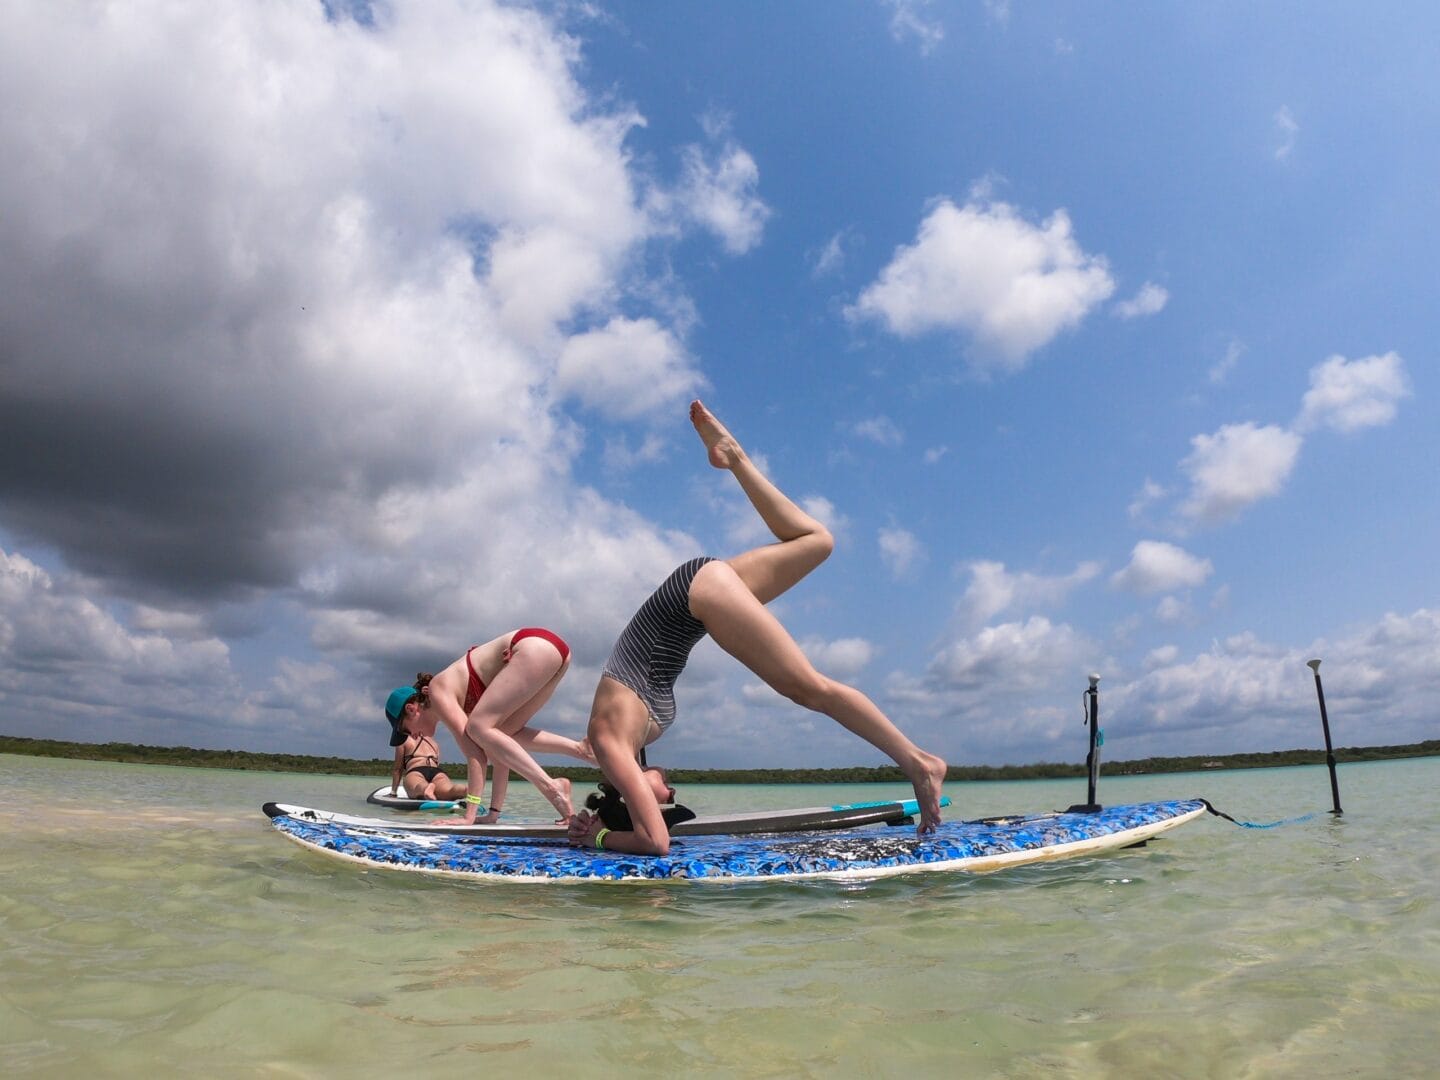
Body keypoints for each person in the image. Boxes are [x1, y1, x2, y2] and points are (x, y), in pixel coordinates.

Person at [568, 401, 948, 856]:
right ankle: (734, 458)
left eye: (662, 795)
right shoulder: (620, 745)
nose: (668, 788)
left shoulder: (609, 743)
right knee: (817, 542)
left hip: (696, 596)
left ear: (630, 797)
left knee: (809, 689)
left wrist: (600, 837)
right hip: (696, 595)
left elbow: (656, 842)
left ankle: (919, 762)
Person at [384, 627, 592, 825]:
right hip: (555, 652)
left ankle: (552, 788)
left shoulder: (439, 692)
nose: (410, 735)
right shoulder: (460, 705)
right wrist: (493, 814)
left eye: (404, 729)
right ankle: (580, 750)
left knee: (477, 729)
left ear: (412, 709)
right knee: (499, 735)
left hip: (531, 647)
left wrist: (469, 816)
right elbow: (497, 753)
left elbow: (476, 755)